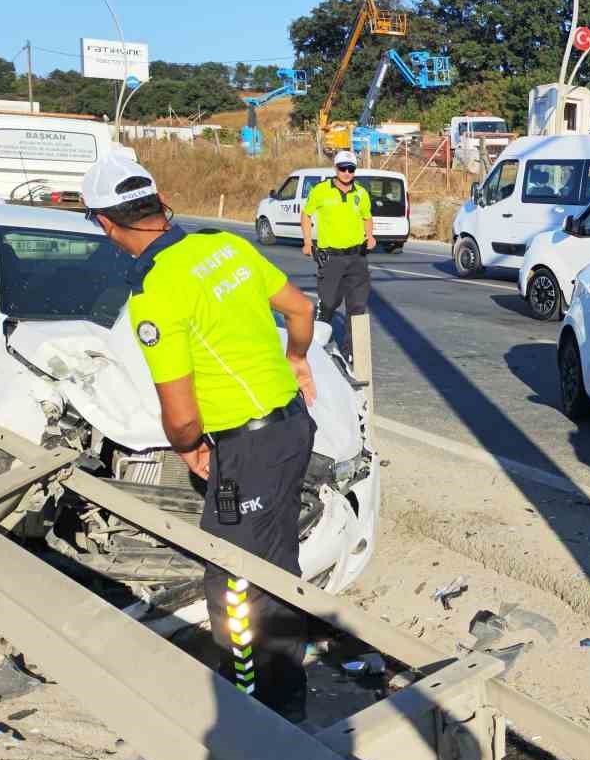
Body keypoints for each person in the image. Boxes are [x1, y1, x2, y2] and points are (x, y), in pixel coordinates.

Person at [82, 151, 320, 721]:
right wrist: (298, 359)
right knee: (277, 558)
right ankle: (287, 686)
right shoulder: (226, 246)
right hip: (293, 428)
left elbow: (182, 416)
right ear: (160, 205)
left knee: (232, 578)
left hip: (249, 447)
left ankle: (255, 706)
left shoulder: (156, 292)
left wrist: (188, 447)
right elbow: (300, 308)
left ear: (106, 224)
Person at [301, 150, 375, 326]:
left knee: (358, 307)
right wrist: (307, 242)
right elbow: (306, 215)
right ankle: (317, 345)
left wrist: (370, 236)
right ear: (335, 168)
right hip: (331, 258)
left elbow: (367, 217)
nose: (347, 173)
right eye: (343, 168)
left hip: (357, 257)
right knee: (328, 303)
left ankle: (353, 352)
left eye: (351, 169)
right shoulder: (321, 191)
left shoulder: (361, 193)